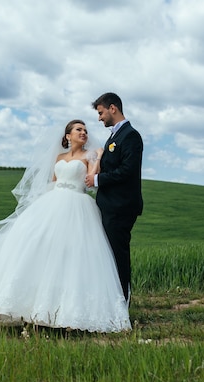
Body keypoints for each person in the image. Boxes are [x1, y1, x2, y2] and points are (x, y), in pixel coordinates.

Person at [0, 119, 131, 333]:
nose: (84, 133)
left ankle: (68, 310)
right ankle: (29, 306)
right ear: (67, 136)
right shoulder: (59, 157)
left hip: (77, 205)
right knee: (36, 248)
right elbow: (53, 182)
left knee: (73, 256)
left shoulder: (90, 155)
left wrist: (99, 157)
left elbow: (91, 180)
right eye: (78, 130)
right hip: (53, 203)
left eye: (85, 130)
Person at [85, 93, 143, 304]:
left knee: (118, 256)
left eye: (100, 113)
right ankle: (112, 300)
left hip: (121, 207)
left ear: (112, 108)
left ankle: (122, 302)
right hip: (110, 206)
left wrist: (98, 179)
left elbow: (128, 170)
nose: (99, 118)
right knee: (109, 255)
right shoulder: (114, 137)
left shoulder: (131, 136)